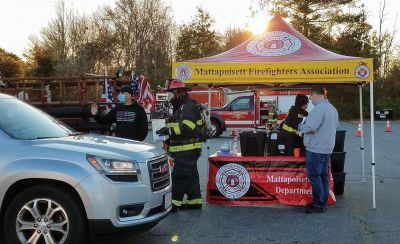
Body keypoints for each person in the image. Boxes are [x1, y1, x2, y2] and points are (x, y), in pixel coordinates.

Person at [156, 79, 203, 212]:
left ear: (178, 93)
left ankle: (173, 204)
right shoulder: (180, 107)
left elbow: (187, 128)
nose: (168, 96)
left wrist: (167, 131)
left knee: (179, 176)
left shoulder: (187, 106)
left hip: (187, 149)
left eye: (170, 93)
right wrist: (168, 139)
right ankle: (195, 201)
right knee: (191, 176)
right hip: (184, 149)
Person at [299, 86, 338, 214]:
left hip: (316, 148)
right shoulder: (332, 109)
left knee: (315, 176)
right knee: (323, 177)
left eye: (311, 98)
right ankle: (323, 202)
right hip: (327, 148)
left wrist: (301, 125)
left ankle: (318, 204)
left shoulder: (319, 109)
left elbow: (310, 127)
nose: (311, 100)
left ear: (315, 94)